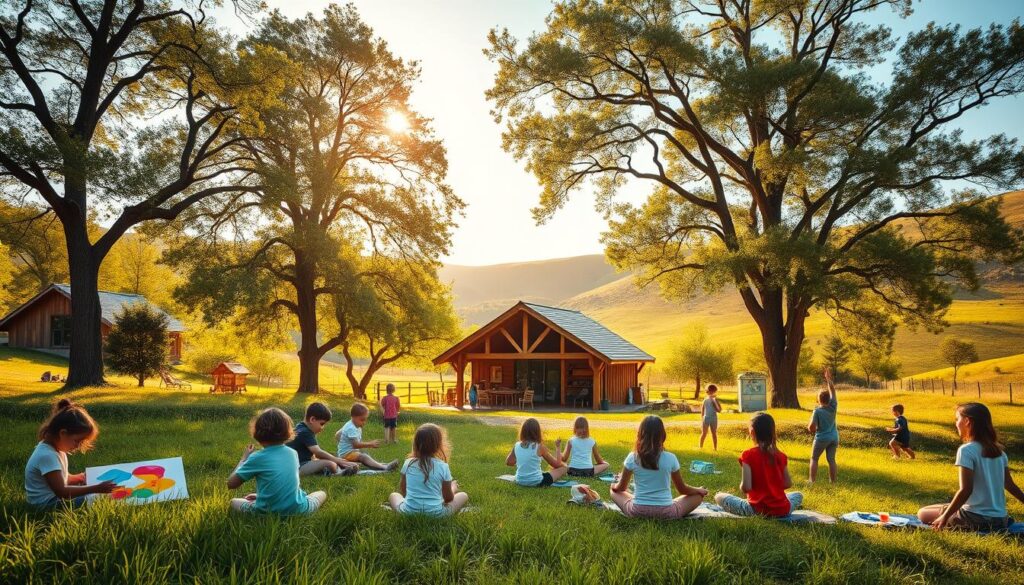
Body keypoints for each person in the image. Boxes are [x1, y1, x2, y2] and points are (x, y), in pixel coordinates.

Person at [917, 403, 1024, 531]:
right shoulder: (1000, 452)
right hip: (1000, 520)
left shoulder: (967, 450)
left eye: (957, 419)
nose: (956, 423)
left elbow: (965, 490)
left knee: (922, 513)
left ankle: (950, 515)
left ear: (967, 421)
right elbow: (1010, 485)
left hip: (975, 519)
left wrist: (945, 517)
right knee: (938, 507)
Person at [227, 407, 327, 515]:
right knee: (321, 493)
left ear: (257, 432)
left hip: (266, 512)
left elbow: (231, 484)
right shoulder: (293, 453)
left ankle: (265, 502)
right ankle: (302, 499)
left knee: (233, 502)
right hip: (298, 509)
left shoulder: (256, 457)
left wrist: (243, 459)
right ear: (288, 432)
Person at [609, 415, 706, 519]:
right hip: (667, 513)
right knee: (698, 496)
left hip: (638, 511)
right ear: (663, 435)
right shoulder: (671, 458)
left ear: (640, 434)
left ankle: (638, 500)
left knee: (613, 492)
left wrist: (614, 486)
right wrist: (698, 490)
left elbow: (621, 488)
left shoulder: (633, 457)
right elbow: (682, 489)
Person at [25, 399, 116, 508]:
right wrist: (96, 488)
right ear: (63, 433)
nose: (78, 446)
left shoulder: (57, 450)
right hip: (47, 504)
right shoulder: (47, 455)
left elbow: (64, 478)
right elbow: (62, 492)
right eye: (77, 441)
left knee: (96, 496)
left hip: (54, 498)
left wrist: (81, 478)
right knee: (99, 498)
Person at [714, 412, 803, 517]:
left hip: (756, 510)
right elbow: (787, 484)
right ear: (772, 432)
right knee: (798, 495)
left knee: (719, 496)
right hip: (782, 510)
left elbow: (746, 487)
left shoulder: (747, 455)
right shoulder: (780, 455)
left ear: (752, 432)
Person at [388, 423, 469, 515]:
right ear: (439, 446)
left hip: (408, 512)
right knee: (463, 495)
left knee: (394, 495)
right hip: (437, 515)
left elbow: (403, 491)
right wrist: (453, 488)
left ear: (416, 444)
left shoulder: (408, 463)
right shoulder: (443, 466)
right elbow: (448, 499)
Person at [286, 402, 359, 476]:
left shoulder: (301, 427)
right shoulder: (305, 432)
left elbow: (315, 456)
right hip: (297, 468)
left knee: (328, 460)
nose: (322, 428)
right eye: (322, 424)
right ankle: (338, 473)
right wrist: (337, 460)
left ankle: (341, 469)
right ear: (312, 419)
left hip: (299, 465)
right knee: (329, 463)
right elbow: (318, 452)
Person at [335, 403, 398, 471]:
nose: (364, 422)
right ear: (353, 417)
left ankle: (381, 465)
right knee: (363, 456)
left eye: (365, 419)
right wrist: (370, 444)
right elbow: (356, 445)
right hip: (346, 455)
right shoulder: (351, 428)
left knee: (364, 455)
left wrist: (343, 441)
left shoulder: (351, 424)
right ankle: (385, 468)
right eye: (362, 420)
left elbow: (337, 434)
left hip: (349, 453)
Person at [505, 418, 566, 486]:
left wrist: (523, 462)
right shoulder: (539, 446)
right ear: (538, 432)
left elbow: (509, 462)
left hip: (519, 480)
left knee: (547, 472)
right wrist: (558, 447)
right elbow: (557, 464)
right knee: (564, 468)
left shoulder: (517, 445)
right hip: (537, 481)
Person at [808, 367, 839, 484]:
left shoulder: (817, 411)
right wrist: (828, 379)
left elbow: (811, 428)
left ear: (818, 399)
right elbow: (833, 390)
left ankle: (811, 480)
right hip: (834, 437)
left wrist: (810, 425)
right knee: (831, 460)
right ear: (829, 399)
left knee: (814, 458)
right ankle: (833, 482)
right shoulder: (833, 406)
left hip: (822, 438)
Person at [699, 384, 723, 450]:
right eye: (710, 391)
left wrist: (714, 402)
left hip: (713, 418)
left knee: (714, 433)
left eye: (713, 391)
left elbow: (719, 410)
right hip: (706, 418)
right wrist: (702, 419)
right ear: (708, 391)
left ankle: (715, 448)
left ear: (715, 392)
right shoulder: (705, 400)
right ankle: (700, 447)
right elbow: (702, 410)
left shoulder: (715, 400)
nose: (712, 393)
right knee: (704, 433)